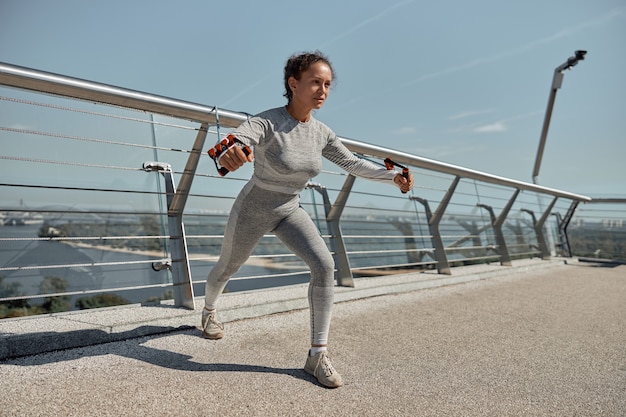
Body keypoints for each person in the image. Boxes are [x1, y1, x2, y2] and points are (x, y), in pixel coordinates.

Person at [202, 51, 414, 388]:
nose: (323, 90)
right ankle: (209, 311)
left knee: (325, 265)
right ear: (293, 83)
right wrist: (233, 150)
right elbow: (241, 138)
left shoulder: (322, 133)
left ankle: (317, 355)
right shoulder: (268, 121)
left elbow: (355, 164)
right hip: (254, 208)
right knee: (227, 268)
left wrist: (394, 177)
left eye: (327, 84)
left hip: (289, 209)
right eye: (315, 82)